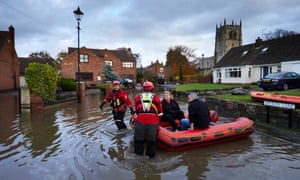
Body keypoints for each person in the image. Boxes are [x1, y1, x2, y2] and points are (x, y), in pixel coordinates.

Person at [133, 81, 162, 158]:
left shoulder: (137, 97)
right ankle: (151, 156)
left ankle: (138, 155)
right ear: (152, 88)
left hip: (140, 121)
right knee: (151, 141)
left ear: (143, 88)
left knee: (138, 140)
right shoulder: (156, 97)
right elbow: (160, 112)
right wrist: (157, 122)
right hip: (153, 121)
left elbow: (135, 110)